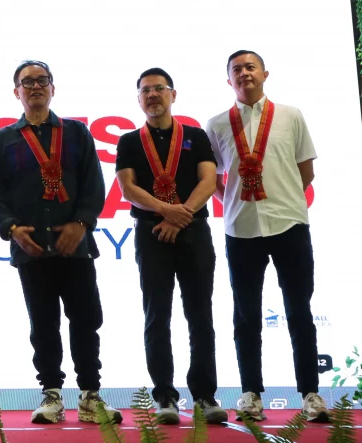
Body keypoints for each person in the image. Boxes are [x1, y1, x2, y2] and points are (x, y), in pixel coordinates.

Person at [0, 60, 122, 425]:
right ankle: (52, 395)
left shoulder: (76, 133)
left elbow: (94, 184)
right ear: (16, 92)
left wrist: (82, 224)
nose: (35, 86)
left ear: (53, 88)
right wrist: (13, 230)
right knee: (43, 325)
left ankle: (90, 395)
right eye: (27, 82)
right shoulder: (2, 139)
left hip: (75, 246)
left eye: (42, 80)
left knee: (86, 320)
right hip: (30, 248)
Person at [205, 50, 328, 423]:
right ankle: (251, 394)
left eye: (250, 67)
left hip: (289, 224)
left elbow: (305, 170)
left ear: (264, 73)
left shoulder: (291, 115)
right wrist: (234, 201)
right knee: (246, 316)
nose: (244, 73)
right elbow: (212, 179)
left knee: (299, 311)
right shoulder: (217, 124)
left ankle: (310, 394)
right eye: (236, 70)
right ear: (229, 80)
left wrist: (282, 197)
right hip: (240, 229)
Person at [115, 69, 227, 425]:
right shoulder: (129, 141)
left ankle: (205, 395)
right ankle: (164, 397)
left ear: (173, 95)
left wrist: (181, 215)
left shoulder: (195, 136)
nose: (153, 95)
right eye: (145, 90)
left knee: (200, 314)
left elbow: (208, 181)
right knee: (156, 316)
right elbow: (128, 188)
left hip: (194, 232)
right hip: (151, 235)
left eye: (159, 88)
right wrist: (167, 211)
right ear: (138, 99)